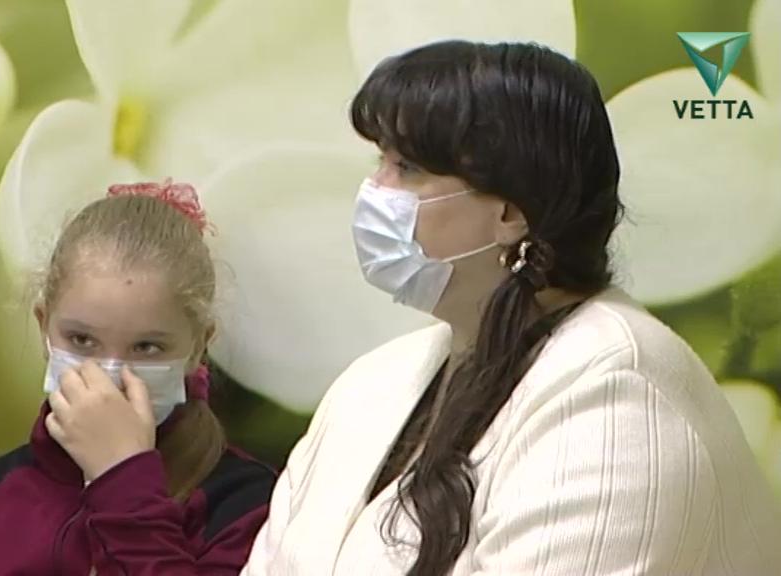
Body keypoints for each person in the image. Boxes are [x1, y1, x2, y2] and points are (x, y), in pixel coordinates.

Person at [241, 40, 781, 575]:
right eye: (378, 160)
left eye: (406, 167)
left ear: (510, 213)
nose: (372, 191)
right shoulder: (372, 383)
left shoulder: (615, 399)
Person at [0, 180, 276, 575]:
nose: (109, 379)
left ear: (198, 346)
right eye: (82, 340)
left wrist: (124, 483)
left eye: (147, 347)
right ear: (44, 326)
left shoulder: (254, 511)